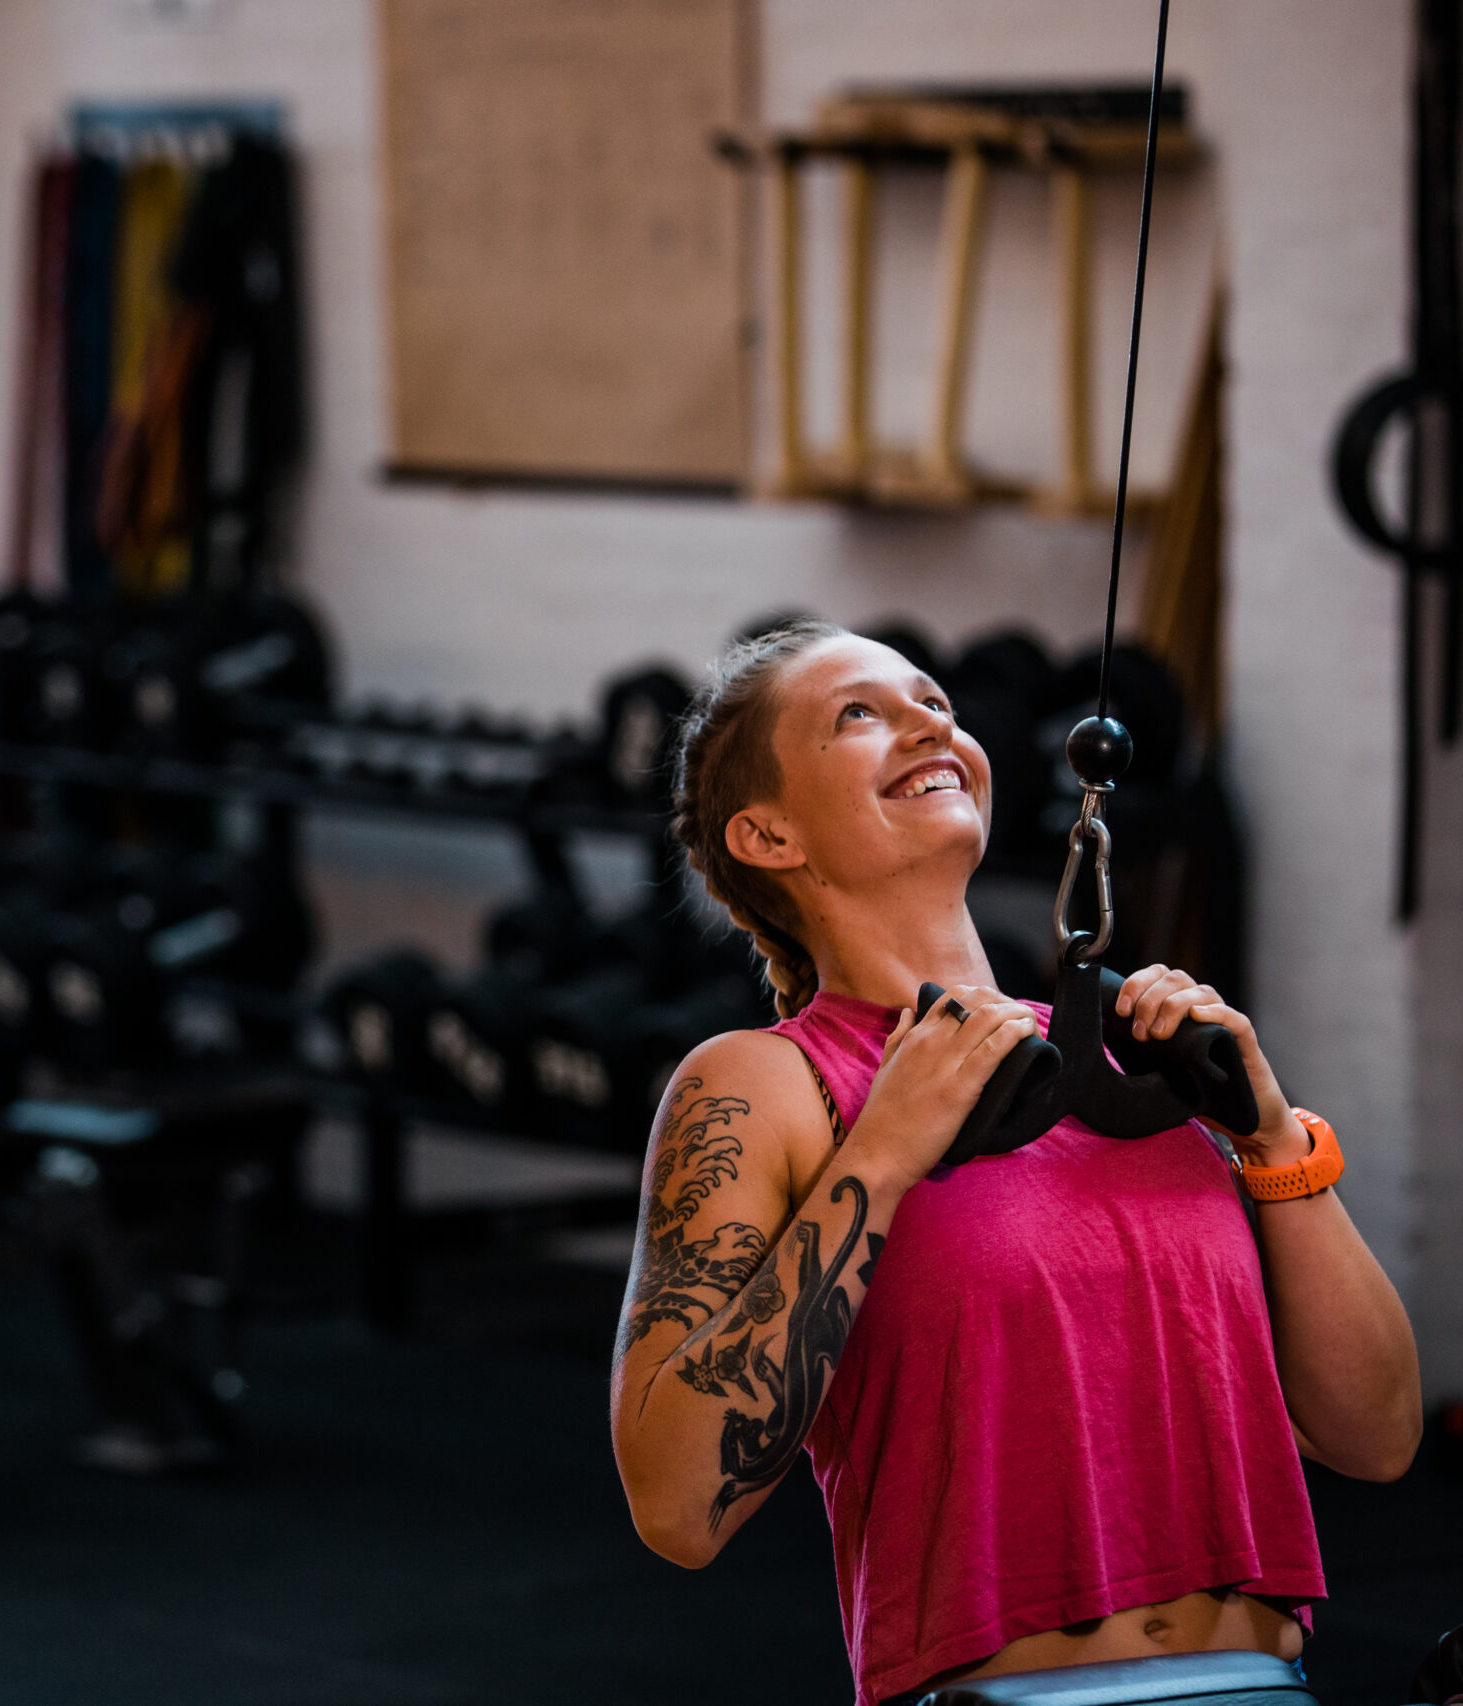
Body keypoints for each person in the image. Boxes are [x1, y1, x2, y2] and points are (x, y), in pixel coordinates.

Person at [608, 621, 1420, 1704]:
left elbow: (1376, 1436)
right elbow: (676, 1506)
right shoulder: (767, 1084)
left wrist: (1273, 1144)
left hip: (1258, 1684)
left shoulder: (1120, 1063)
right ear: (767, 833)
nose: (925, 723)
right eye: (859, 713)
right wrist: (883, 1153)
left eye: (933, 701)